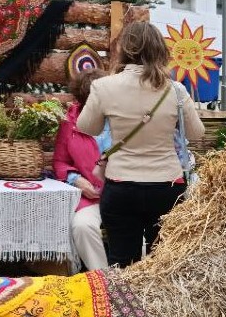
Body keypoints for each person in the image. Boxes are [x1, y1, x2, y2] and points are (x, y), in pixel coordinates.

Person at [77, 21, 205, 268]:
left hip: (121, 185)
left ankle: (125, 307)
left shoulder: (103, 86)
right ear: (160, 50)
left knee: (122, 264)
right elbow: (196, 132)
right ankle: (162, 308)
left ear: (125, 50)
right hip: (167, 186)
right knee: (165, 264)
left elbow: (87, 127)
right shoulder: (175, 90)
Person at [52, 68, 109, 270]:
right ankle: (104, 280)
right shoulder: (70, 123)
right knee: (82, 226)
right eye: (88, 102)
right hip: (90, 198)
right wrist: (75, 179)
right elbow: (59, 162)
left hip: (121, 193)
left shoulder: (121, 118)